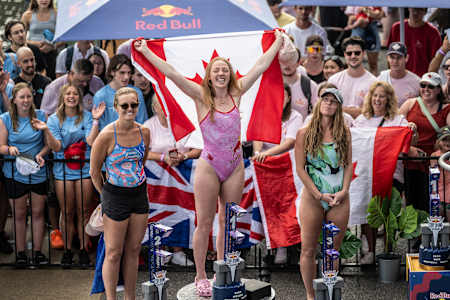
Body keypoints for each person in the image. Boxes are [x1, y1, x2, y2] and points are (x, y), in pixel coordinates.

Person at [134, 30, 283, 296]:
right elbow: (173, 75)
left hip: (235, 164)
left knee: (229, 221)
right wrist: (146, 52)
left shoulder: (238, 94)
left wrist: (279, 43)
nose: (221, 73)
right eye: (216, 70)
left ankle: (224, 269)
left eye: (224, 69)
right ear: (210, 75)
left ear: (230, 73)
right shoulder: (201, 97)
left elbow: (260, 66)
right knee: (204, 222)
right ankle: (201, 274)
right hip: (209, 165)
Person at [90, 87, 150, 300]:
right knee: (114, 252)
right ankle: (111, 297)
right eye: (124, 105)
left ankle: (130, 297)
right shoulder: (106, 135)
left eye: (134, 105)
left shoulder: (144, 131)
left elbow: (141, 162)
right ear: (116, 108)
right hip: (115, 195)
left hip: (139, 194)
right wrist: (105, 195)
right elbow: (94, 171)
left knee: (134, 250)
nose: (130, 109)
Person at [295, 87, 352, 300]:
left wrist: (344, 191)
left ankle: (328, 292)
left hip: (339, 197)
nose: (328, 104)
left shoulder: (344, 132)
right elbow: (300, 168)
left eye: (333, 101)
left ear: (338, 106)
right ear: (319, 103)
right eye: (325, 99)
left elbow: (347, 165)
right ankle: (311, 295)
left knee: (333, 251)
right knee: (308, 249)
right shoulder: (305, 132)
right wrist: (318, 194)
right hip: (313, 198)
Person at [353, 81, 415, 264]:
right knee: (369, 212)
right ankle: (371, 252)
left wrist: (412, 130)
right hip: (367, 175)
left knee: (389, 213)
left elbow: (408, 142)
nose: (377, 99)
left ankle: (388, 252)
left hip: (392, 174)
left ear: (388, 99)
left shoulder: (398, 120)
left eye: (381, 96)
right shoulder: (361, 120)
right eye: (375, 95)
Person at [45, 84, 105, 268]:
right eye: (68, 93)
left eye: (74, 94)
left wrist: (95, 121)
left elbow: (90, 141)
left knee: (84, 211)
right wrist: (47, 131)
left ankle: (84, 249)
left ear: (79, 97)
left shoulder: (87, 116)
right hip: (63, 170)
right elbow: (56, 147)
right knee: (68, 211)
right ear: (62, 97)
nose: (71, 96)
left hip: (83, 169)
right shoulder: (54, 120)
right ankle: (68, 250)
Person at [144, 95, 201, 266]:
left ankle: (178, 250)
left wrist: (184, 156)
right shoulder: (148, 126)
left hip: (181, 180)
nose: (166, 108)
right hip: (157, 181)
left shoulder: (183, 123)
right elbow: (142, 151)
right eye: (162, 105)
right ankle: (160, 249)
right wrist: (163, 157)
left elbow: (198, 148)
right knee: (159, 212)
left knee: (181, 212)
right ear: (155, 107)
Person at [0, 82, 50, 266]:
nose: (26, 100)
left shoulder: (42, 115)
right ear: (14, 100)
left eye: (29, 96)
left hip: (38, 170)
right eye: (22, 97)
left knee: (38, 213)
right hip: (14, 172)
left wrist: (41, 154)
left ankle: (37, 252)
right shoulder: (5, 119)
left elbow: (48, 144)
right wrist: (9, 149)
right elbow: (1, 146)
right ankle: (21, 253)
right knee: (19, 214)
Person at [399, 72, 450, 214]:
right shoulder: (410, 104)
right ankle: (415, 234)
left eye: (431, 86)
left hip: (435, 161)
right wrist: (408, 147)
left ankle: (432, 233)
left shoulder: (446, 109)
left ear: (439, 89)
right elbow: (396, 128)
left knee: (431, 200)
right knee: (412, 200)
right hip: (412, 159)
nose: (426, 89)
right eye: (423, 85)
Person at [93, 54, 148, 131]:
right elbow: (100, 127)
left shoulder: (137, 93)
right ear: (112, 72)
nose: (126, 77)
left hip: (133, 139)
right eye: (122, 73)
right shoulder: (100, 96)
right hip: (109, 140)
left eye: (129, 73)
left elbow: (142, 123)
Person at [328, 36, 377, 119]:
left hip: (363, 128)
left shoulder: (374, 82)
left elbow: (372, 112)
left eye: (357, 53)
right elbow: (328, 108)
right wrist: (357, 111)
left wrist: (340, 109)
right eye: (349, 53)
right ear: (344, 54)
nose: (353, 56)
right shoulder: (333, 80)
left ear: (364, 53)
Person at [388, 7, 441, 77]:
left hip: (422, 78)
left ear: (425, 12)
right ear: (409, 8)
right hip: (399, 75)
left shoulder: (433, 32)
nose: (415, 12)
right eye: (414, 9)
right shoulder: (397, 28)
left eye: (420, 9)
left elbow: (436, 59)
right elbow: (389, 54)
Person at [21, 0, 60, 79]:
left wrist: (53, 46)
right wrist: (36, 44)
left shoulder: (57, 14)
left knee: (51, 78)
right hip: (33, 53)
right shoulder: (27, 15)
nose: (44, 1)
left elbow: (63, 38)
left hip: (51, 53)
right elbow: (21, 39)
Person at [378, 42, 420, 107]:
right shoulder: (381, 78)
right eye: (392, 57)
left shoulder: (416, 81)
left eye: (399, 57)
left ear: (406, 58)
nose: (395, 61)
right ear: (387, 58)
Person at [280, 48, 318, 120]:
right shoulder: (271, 86)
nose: (287, 65)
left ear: (298, 63)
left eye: (292, 60)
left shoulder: (310, 86)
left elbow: (316, 114)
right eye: (284, 61)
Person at [345, 6, 385, 75]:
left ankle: (373, 84)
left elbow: (381, 15)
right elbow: (350, 15)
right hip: (358, 27)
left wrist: (364, 10)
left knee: (373, 64)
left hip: (372, 27)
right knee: (352, 63)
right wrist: (368, 13)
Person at [431, 126, 450, 222]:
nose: (447, 143)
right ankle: (439, 236)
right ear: (438, 141)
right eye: (444, 140)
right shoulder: (434, 155)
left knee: (449, 210)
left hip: (449, 187)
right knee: (439, 211)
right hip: (438, 187)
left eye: (449, 140)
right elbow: (433, 169)